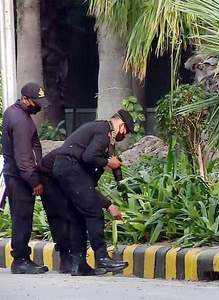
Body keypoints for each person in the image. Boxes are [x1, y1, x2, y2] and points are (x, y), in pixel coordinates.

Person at [52, 110, 134, 275]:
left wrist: (121, 191)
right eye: (126, 132)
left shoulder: (103, 133)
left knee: (78, 216)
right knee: (94, 211)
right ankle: (102, 257)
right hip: (70, 167)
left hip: (63, 168)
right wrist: (108, 162)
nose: (124, 136)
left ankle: (78, 265)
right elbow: (89, 157)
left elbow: (97, 173)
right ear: (121, 126)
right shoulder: (103, 132)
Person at [39, 149, 123, 275]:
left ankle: (77, 263)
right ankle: (67, 260)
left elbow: (86, 187)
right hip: (50, 177)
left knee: (75, 214)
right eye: (113, 169)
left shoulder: (96, 163)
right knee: (64, 215)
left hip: (61, 175)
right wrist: (108, 205)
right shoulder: (90, 157)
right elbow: (85, 189)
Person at [2, 83, 50, 274]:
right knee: (22, 218)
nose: (38, 106)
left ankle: (22, 258)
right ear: (25, 100)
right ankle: (20, 260)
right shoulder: (20, 121)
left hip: (17, 175)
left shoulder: (15, 112)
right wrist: (34, 181)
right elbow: (23, 157)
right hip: (20, 177)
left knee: (20, 217)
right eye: (36, 103)